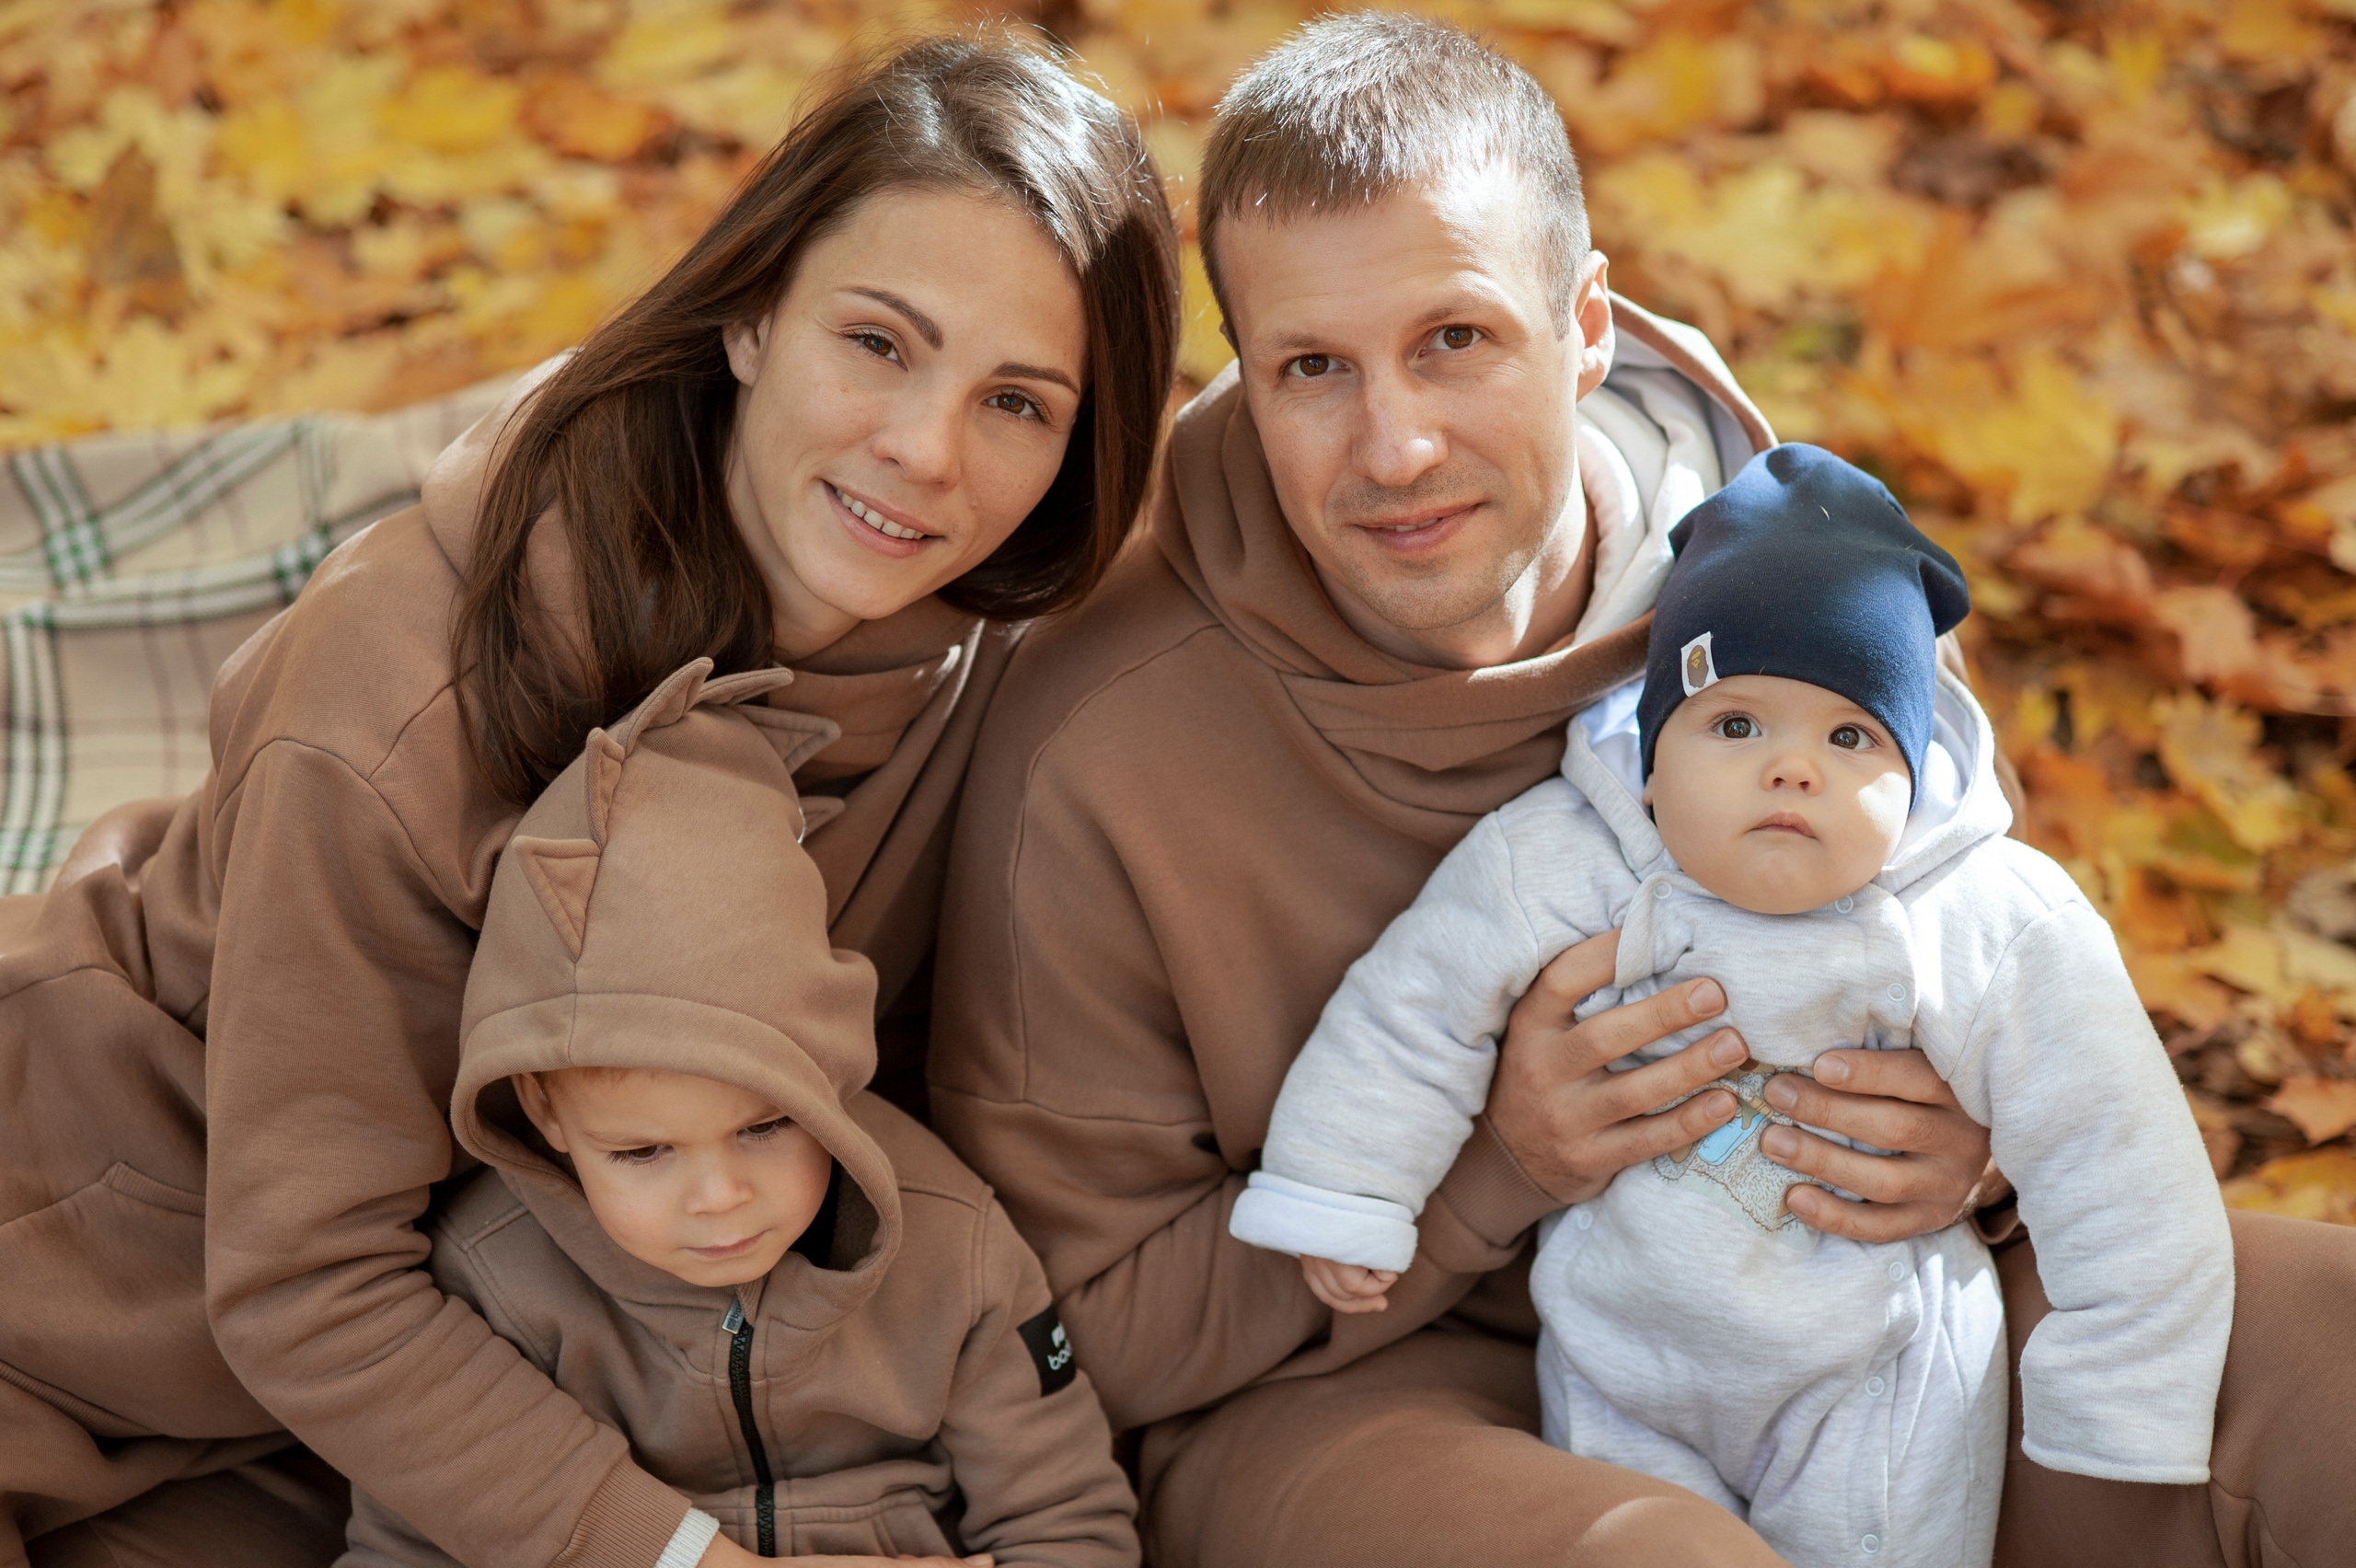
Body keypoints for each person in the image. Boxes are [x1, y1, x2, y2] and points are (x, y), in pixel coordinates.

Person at [927, 13, 2356, 1568]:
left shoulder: (1804, 594)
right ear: (1246, 371)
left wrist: (1978, 1148)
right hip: (1356, 1402)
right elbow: (1071, 1343)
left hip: (1854, 1314)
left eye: (1454, 339)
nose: (1392, 445)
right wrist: (1496, 1168)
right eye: (1313, 369)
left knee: (2324, 1351)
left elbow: (2007, 985)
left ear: (1588, 324)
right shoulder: (1096, 745)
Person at [0, 33, 1177, 1568]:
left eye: (1017, 400)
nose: (924, 449)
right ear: (751, 315)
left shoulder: (982, 647)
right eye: (879, 342)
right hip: (103, 1292)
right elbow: (308, 1283)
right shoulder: (401, 691)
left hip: (478, 1383)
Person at [1230, 444, 2233, 1568]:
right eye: (1736, 726)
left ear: (1913, 780)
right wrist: (1343, 1189)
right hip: (1623, 1357)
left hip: (1869, 1373)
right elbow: (1412, 1009)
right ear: (1651, 758)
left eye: (1849, 737)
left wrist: (2121, 1401)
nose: (1790, 770)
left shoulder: (1983, 915)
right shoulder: (1567, 861)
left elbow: (2118, 1148)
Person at [341, 662, 1136, 1568]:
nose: (718, 1197)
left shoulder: (957, 1248)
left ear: (828, 1069)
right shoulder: (486, 1282)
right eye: (642, 1151)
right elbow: (411, 1544)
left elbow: (1069, 1523)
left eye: (765, 1126)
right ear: (544, 1111)